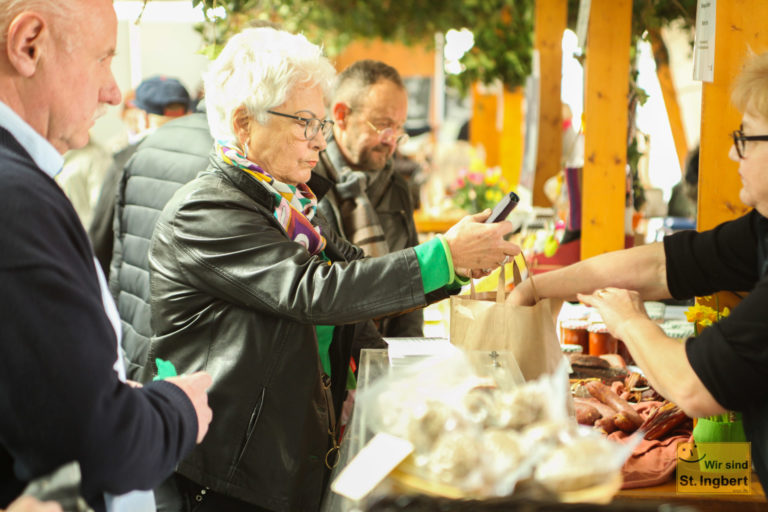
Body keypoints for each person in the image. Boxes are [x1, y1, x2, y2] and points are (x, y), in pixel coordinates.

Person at [145, 27, 518, 511]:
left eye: (321, 125)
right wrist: (444, 255)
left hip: (287, 455)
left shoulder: (287, 203)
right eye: (305, 123)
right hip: (228, 474)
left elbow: (358, 271)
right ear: (243, 123)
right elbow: (313, 291)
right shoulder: (205, 211)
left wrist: (454, 266)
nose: (320, 143)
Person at [509, 52, 768, 487]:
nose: (730, 151)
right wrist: (539, 286)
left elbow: (693, 387)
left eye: (745, 137)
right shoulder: (761, 229)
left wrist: (630, 321)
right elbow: (660, 264)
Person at [0, 1, 213, 511]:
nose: (112, 91)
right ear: (29, 44)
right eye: (102, 59)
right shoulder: (15, 201)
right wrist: (177, 407)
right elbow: (95, 445)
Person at [313, 60, 424, 337]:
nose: (392, 140)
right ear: (341, 116)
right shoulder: (305, 184)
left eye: (399, 128)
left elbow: (412, 283)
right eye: (384, 125)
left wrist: (406, 358)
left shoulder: (396, 186)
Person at [89, 75, 192, 276]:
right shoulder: (211, 158)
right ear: (188, 113)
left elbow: (100, 238)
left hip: (133, 289)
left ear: (142, 117)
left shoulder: (126, 162)